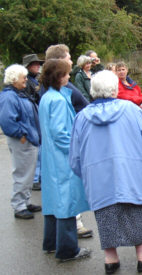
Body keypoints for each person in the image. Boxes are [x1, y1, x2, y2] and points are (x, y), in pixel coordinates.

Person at [69, 70, 142, 274]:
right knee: (136, 211)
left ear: (92, 91)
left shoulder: (81, 117)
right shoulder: (131, 110)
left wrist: (85, 174)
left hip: (99, 179)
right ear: (114, 89)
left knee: (106, 215)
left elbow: (75, 158)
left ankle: (111, 260)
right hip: (132, 173)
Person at [39, 59, 91, 261]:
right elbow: (61, 133)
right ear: (59, 77)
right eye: (66, 74)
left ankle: (51, 243)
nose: (69, 77)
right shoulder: (59, 100)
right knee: (67, 202)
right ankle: (68, 250)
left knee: (53, 200)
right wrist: (75, 152)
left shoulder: (47, 97)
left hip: (50, 156)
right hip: (62, 157)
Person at [0, 64, 41, 219]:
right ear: (14, 79)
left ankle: (25, 201)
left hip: (28, 139)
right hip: (22, 140)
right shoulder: (9, 97)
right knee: (22, 173)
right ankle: (19, 205)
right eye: (23, 77)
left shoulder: (18, 94)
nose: (25, 79)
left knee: (28, 172)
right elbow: (7, 120)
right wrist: (22, 135)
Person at [40, 44, 89, 113]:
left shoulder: (45, 85)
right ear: (60, 61)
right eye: (69, 59)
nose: (71, 62)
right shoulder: (61, 86)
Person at [23, 53, 44, 191]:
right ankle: (35, 178)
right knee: (35, 150)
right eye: (34, 64)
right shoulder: (28, 83)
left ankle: (38, 177)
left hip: (38, 116)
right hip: (32, 118)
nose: (37, 66)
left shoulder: (35, 80)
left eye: (38, 64)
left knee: (40, 149)